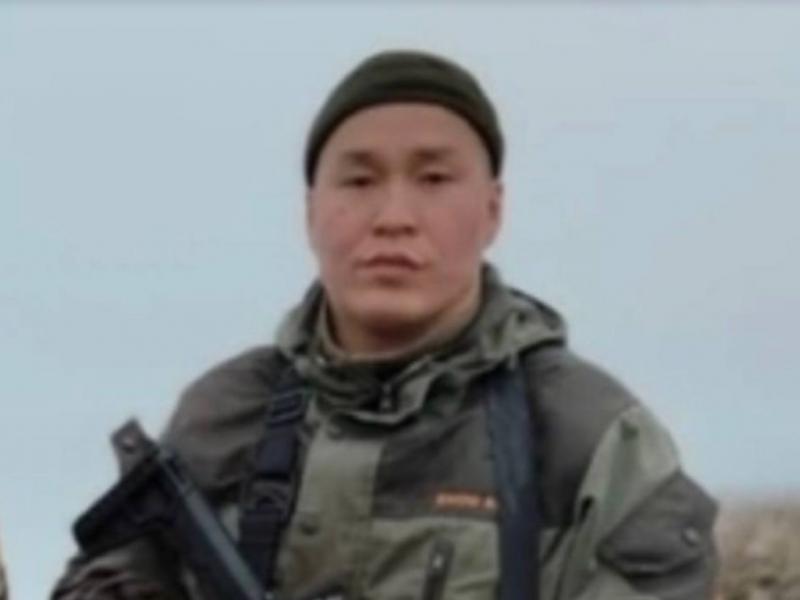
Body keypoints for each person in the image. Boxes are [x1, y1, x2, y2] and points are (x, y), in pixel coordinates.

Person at [52, 49, 718, 600]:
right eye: (359, 181)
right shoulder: (224, 415)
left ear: (492, 211)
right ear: (311, 211)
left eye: (433, 179)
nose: (393, 217)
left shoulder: (593, 439)